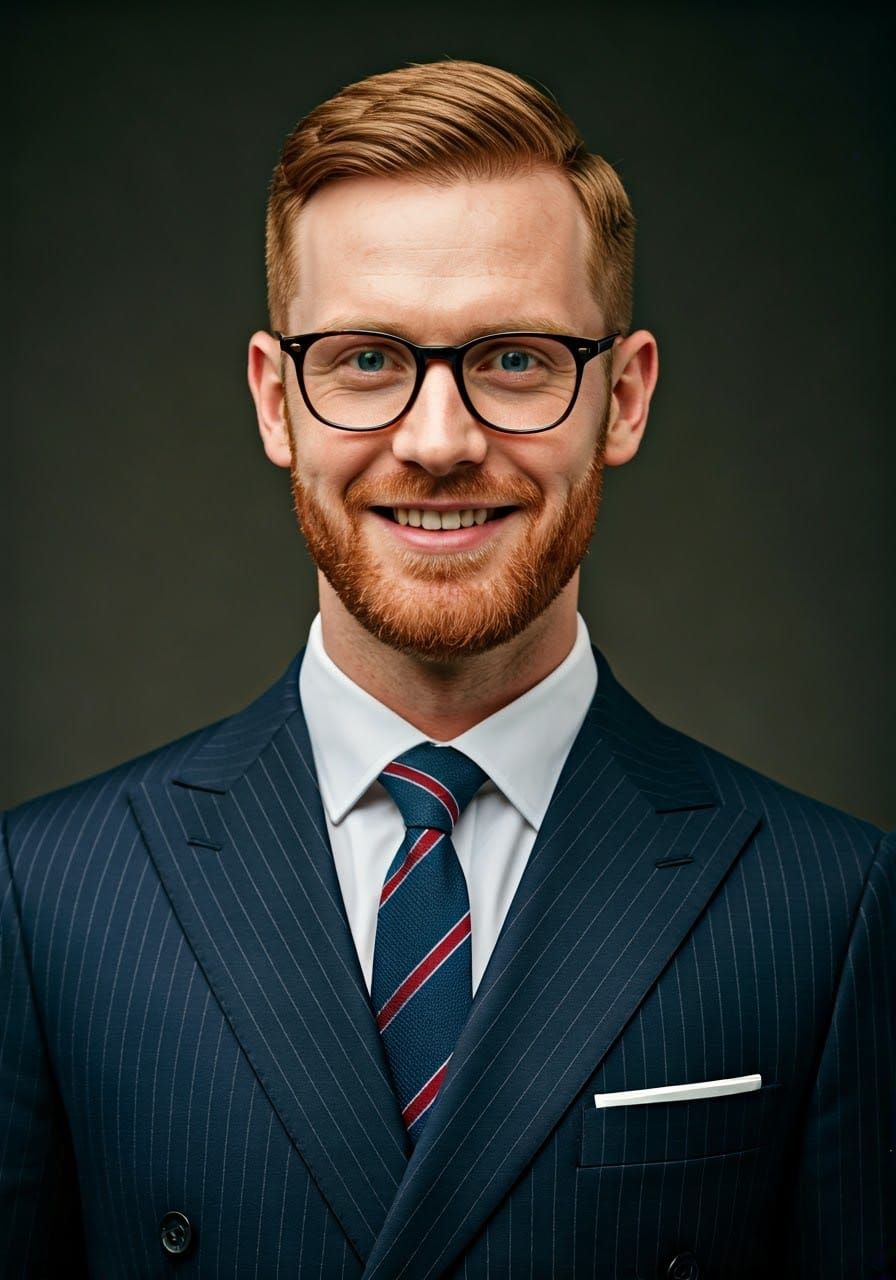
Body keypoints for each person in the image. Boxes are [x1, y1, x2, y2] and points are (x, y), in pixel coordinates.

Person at [1, 59, 893, 1280]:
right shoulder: (45, 898)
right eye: (365, 358)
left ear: (621, 398)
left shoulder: (829, 907)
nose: (437, 440)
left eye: (515, 357)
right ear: (276, 402)